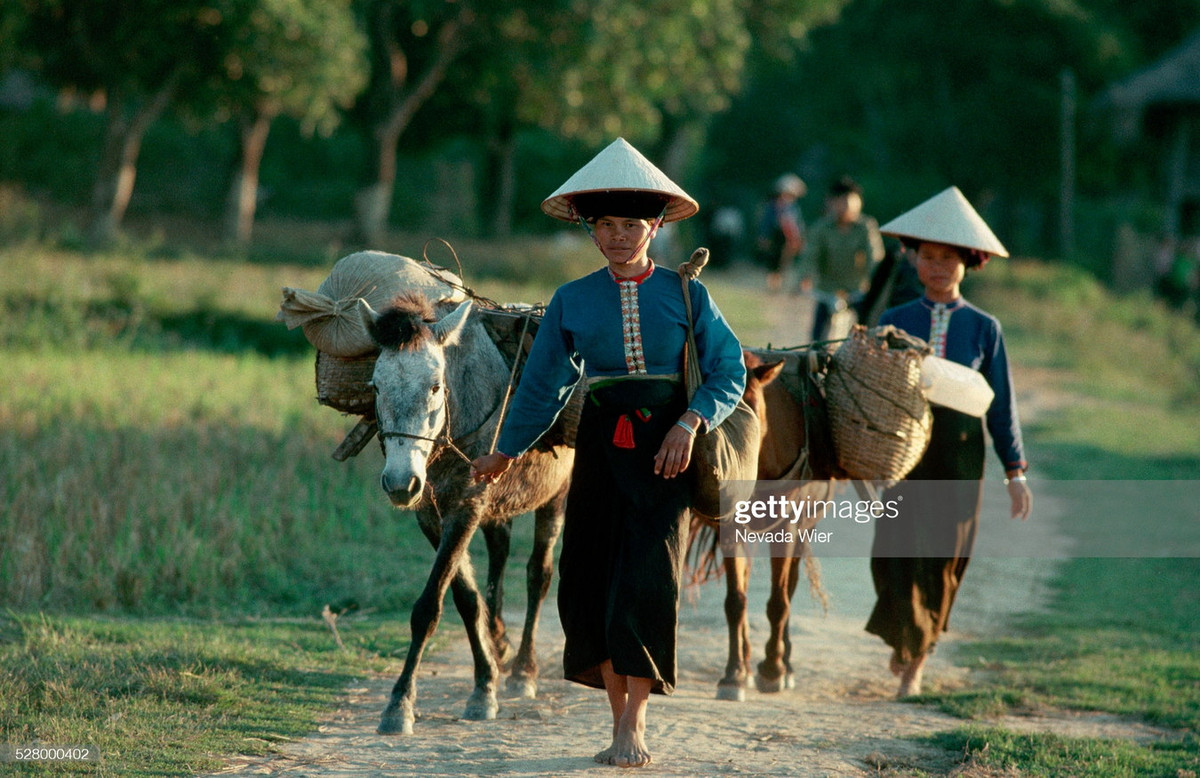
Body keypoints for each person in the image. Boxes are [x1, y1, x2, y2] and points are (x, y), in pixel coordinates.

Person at [471, 138, 746, 768]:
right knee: (589, 579)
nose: (618, 236)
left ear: (655, 226)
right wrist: (505, 452)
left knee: (647, 582)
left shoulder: (687, 295)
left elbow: (727, 371)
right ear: (591, 229)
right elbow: (544, 385)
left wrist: (692, 423)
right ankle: (615, 714)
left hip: (667, 452)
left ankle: (635, 724)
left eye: (631, 224)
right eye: (605, 224)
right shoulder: (571, 298)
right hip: (596, 445)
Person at [865, 186, 1034, 698]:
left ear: (968, 263)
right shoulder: (895, 322)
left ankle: (917, 657)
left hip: (960, 454)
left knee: (945, 556)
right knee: (891, 550)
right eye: (928, 257)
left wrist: (1015, 472)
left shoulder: (985, 329)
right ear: (914, 260)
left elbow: (1000, 405)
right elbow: (870, 393)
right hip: (905, 451)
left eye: (948, 258)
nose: (937, 266)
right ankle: (906, 636)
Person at [801, 176, 885, 340]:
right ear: (830, 202)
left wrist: (875, 281)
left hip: (857, 288)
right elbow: (811, 254)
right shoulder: (821, 227)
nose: (846, 206)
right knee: (818, 333)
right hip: (828, 288)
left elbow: (874, 255)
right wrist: (806, 276)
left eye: (850, 201)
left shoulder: (866, 226)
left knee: (867, 328)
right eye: (841, 201)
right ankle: (815, 356)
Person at [755, 173, 807, 292]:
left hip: (787, 239)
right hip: (774, 237)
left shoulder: (793, 208)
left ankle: (778, 284)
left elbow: (797, 224)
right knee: (772, 261)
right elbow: (766, 222)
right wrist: (763, 236)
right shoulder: (772, 206)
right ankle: (772, 285)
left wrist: (798, 238)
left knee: (783, 262)